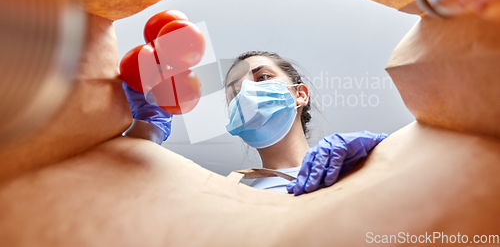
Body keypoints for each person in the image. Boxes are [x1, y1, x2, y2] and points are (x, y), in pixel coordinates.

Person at [122, 51, 387, 196]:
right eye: (235, 92)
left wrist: (386, 151)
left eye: (262, 78)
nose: (247, 92)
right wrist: (148, 128)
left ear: (300, 94)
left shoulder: (356, 165)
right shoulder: (233, 201)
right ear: (234, 117)